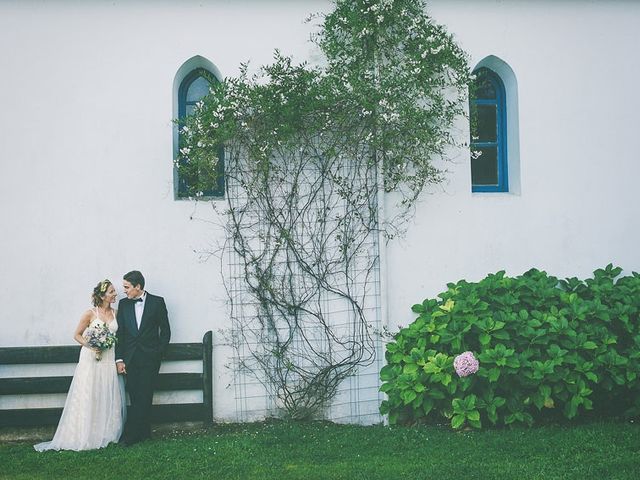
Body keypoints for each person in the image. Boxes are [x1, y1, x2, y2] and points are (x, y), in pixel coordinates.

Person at [34, 279, 126, 451]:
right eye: (112, 292)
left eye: (115, 291)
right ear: (102, 295)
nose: (115, 294)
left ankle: (105, 432)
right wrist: (92, 346)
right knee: (89, 393)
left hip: (108, 358)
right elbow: (76, 335)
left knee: (105, 392)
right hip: (91, 359)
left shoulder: (116, 313)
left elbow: (119, 338)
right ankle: (84, 433)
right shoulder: (90, 313)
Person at [116, 270, 171, 446]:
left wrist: (159, 353)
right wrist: (119, 360)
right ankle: (144, 433)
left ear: (138, 287)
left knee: (145, 395)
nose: (124, 290)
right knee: (135, 395)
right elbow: (120, 334)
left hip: (150, 358)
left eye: (126, 287)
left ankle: (130, 436)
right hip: (130, 359)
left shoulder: (157, 302)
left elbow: (166, 330)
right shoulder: (123, 305)